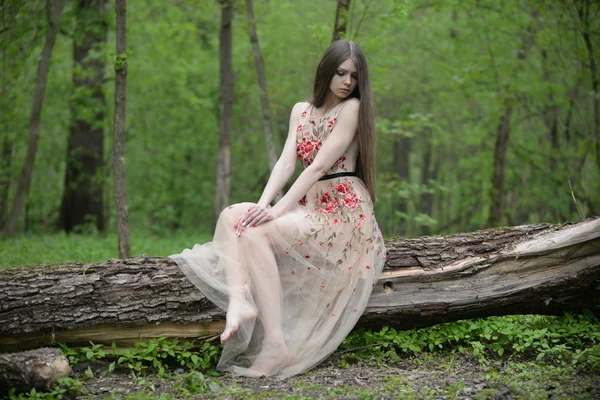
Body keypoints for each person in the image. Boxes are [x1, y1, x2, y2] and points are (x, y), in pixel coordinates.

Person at [170, 39, 386, 378]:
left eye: (355, 77)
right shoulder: (301, 110)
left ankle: (276, 344)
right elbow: (287, 163)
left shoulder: (352, 109)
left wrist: (277, 212)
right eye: (341, 73)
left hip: (342, 213)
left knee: (258, 232)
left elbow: (316, 168)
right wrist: (263, 204)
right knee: (233, 216)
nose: (347, 82)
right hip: (308, 205)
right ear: (326, 71)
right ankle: (240, 299)